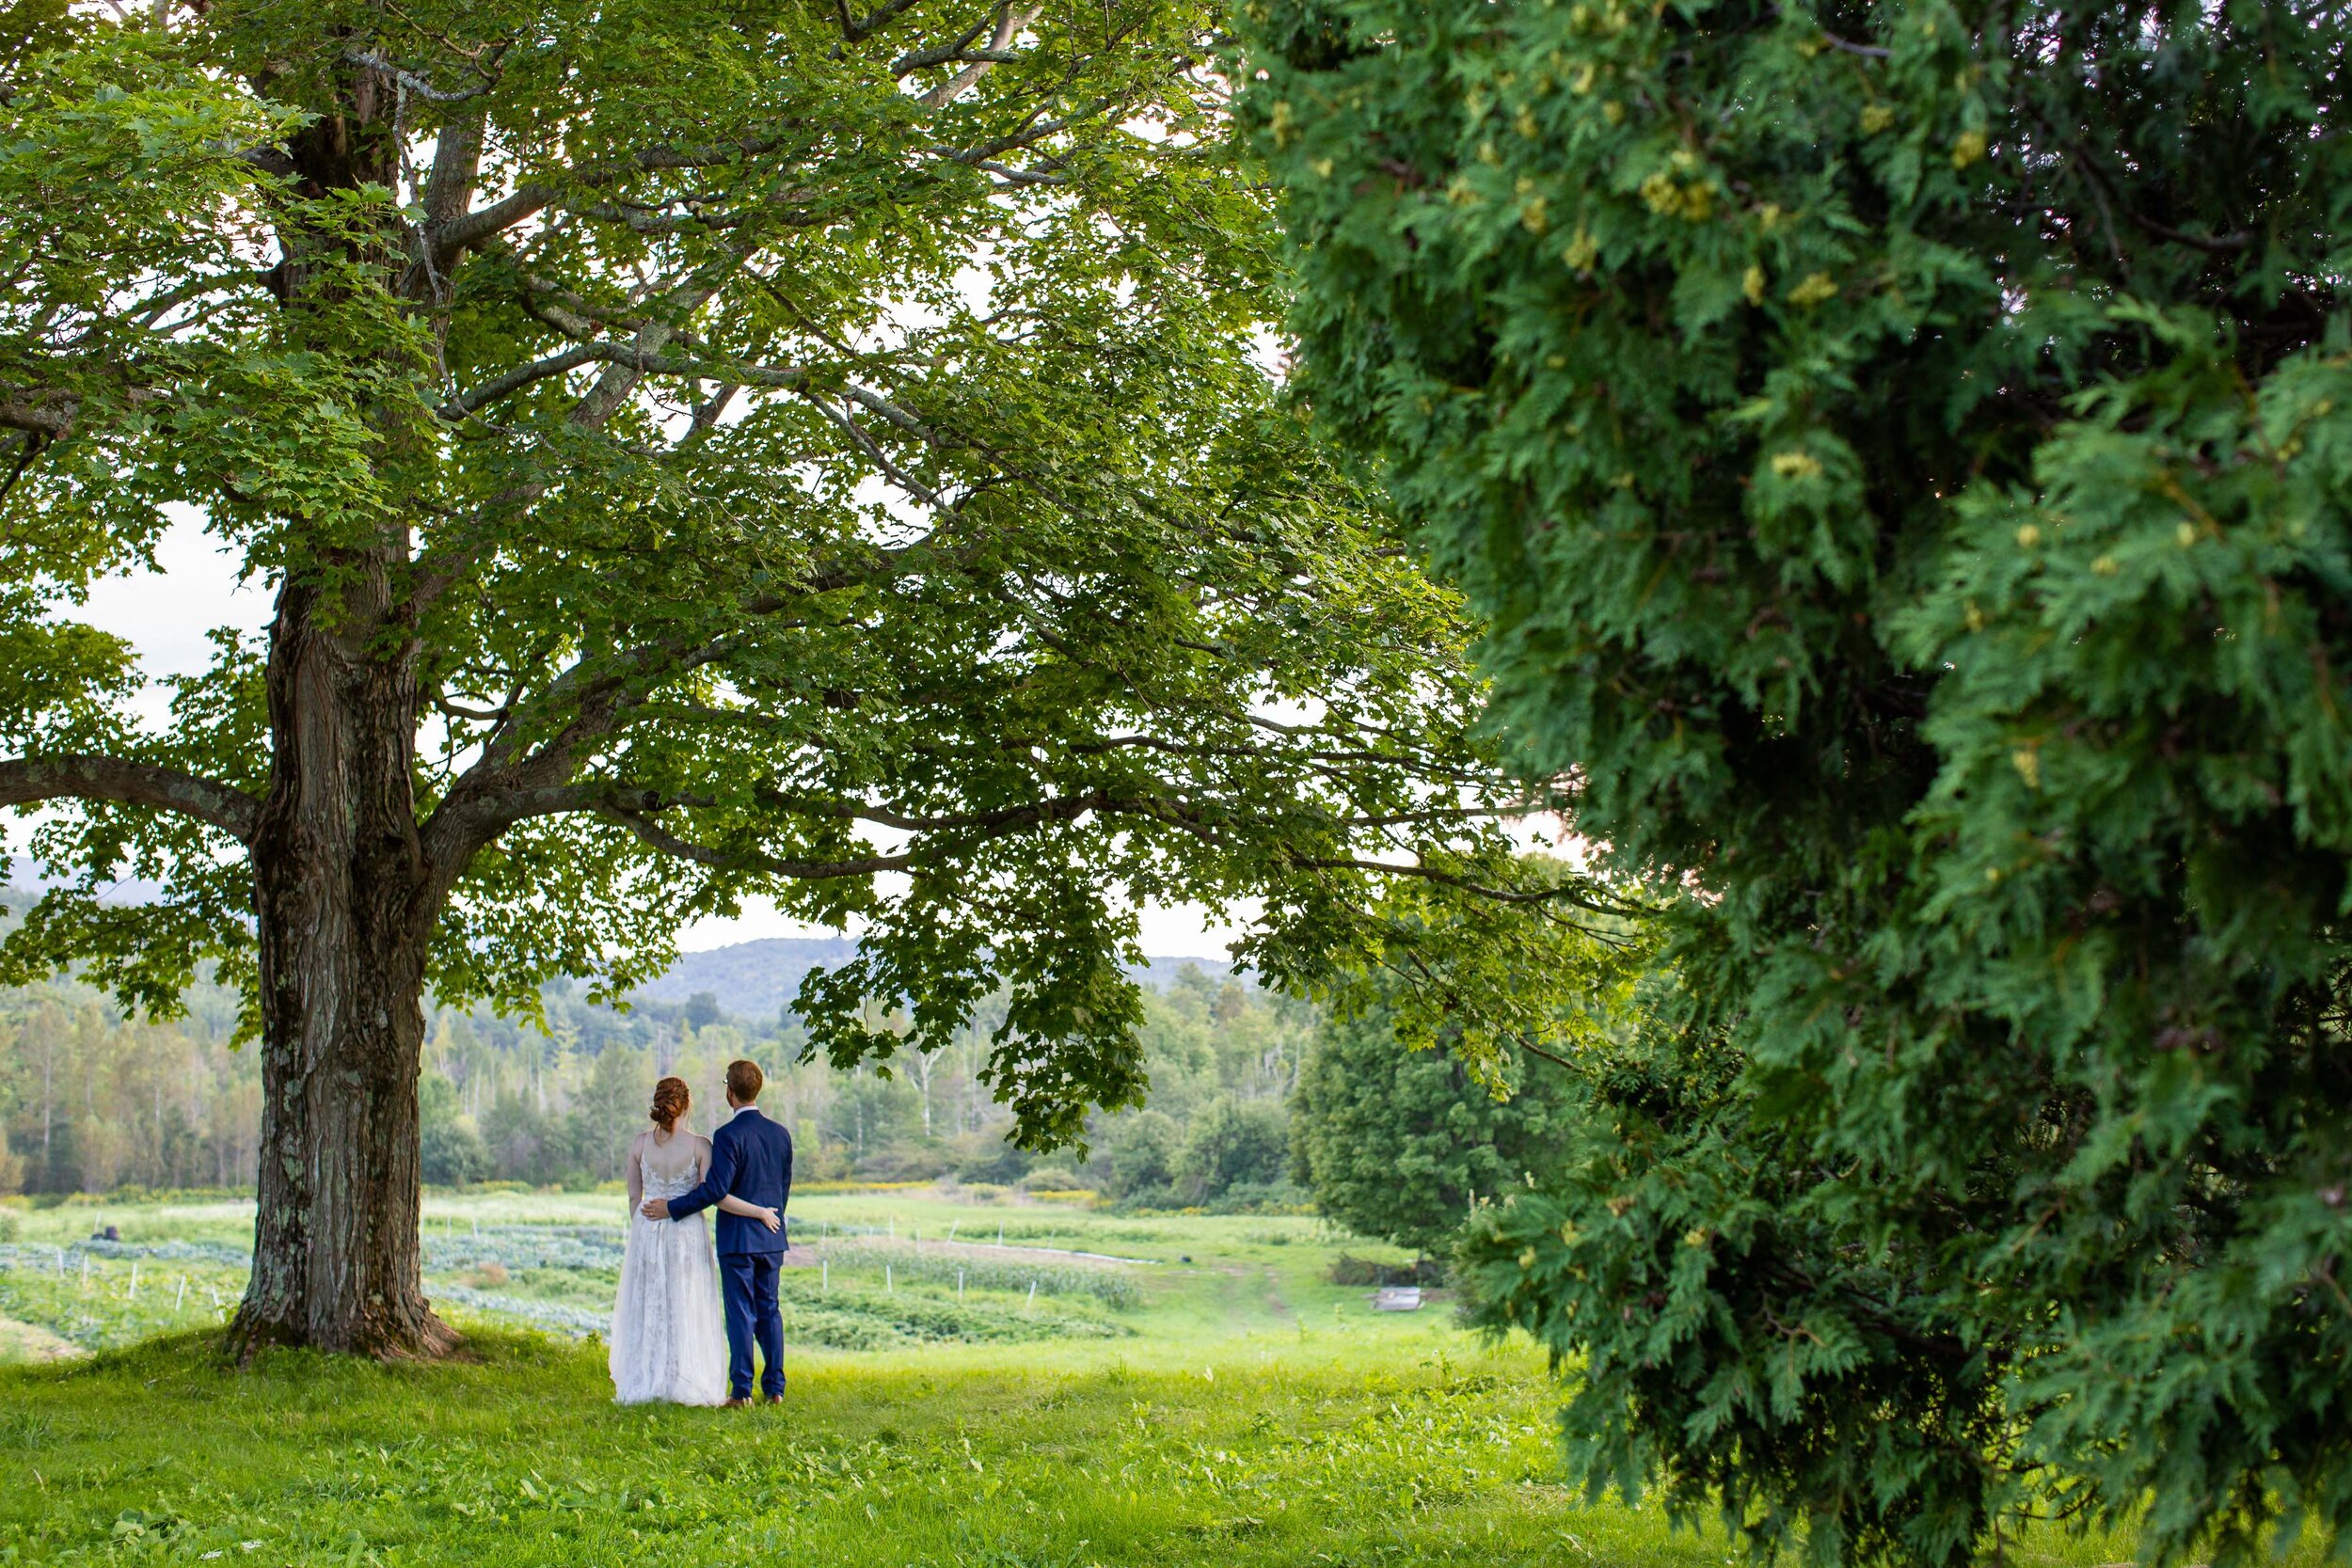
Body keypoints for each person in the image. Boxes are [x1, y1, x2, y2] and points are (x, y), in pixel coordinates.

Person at [608, 1075, 781, 1405]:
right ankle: (685, 1378)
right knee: (687, 1302)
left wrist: (644, 1230)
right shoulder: (701, 1145)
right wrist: (760, 1212)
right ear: (687, 1105)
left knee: (650, 1303)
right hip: (686, 1231)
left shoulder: (639, 1143)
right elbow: (715, 1195)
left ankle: (647, 1377)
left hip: (648, 1228)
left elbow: (634, 1197)